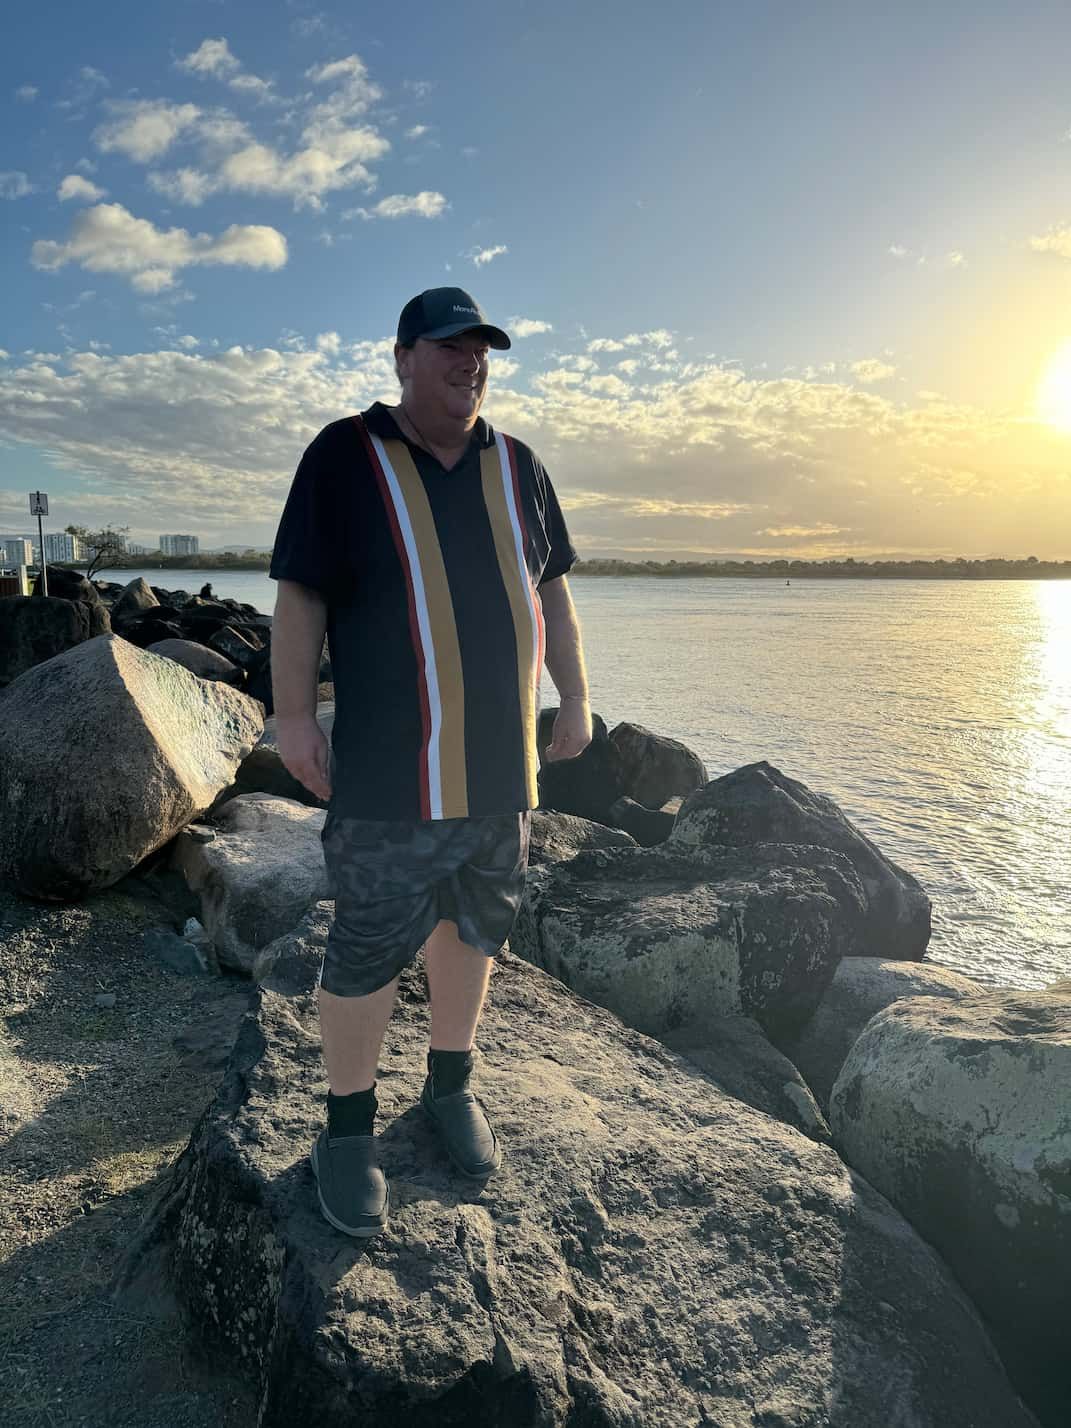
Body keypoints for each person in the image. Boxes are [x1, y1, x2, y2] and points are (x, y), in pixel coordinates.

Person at [269, 286, 592, 1237]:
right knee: (367, 944)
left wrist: (573, 699)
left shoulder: (521, 465)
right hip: (389, 769)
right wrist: (293, 719)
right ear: (403, 356)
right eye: (450, 347)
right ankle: (346, 1130)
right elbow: (299, 600)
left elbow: (555, 599)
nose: (470, 363)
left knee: (477, 924)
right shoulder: (344, 455)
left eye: (481, 349)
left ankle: (450, 1086)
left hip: (500, 767)